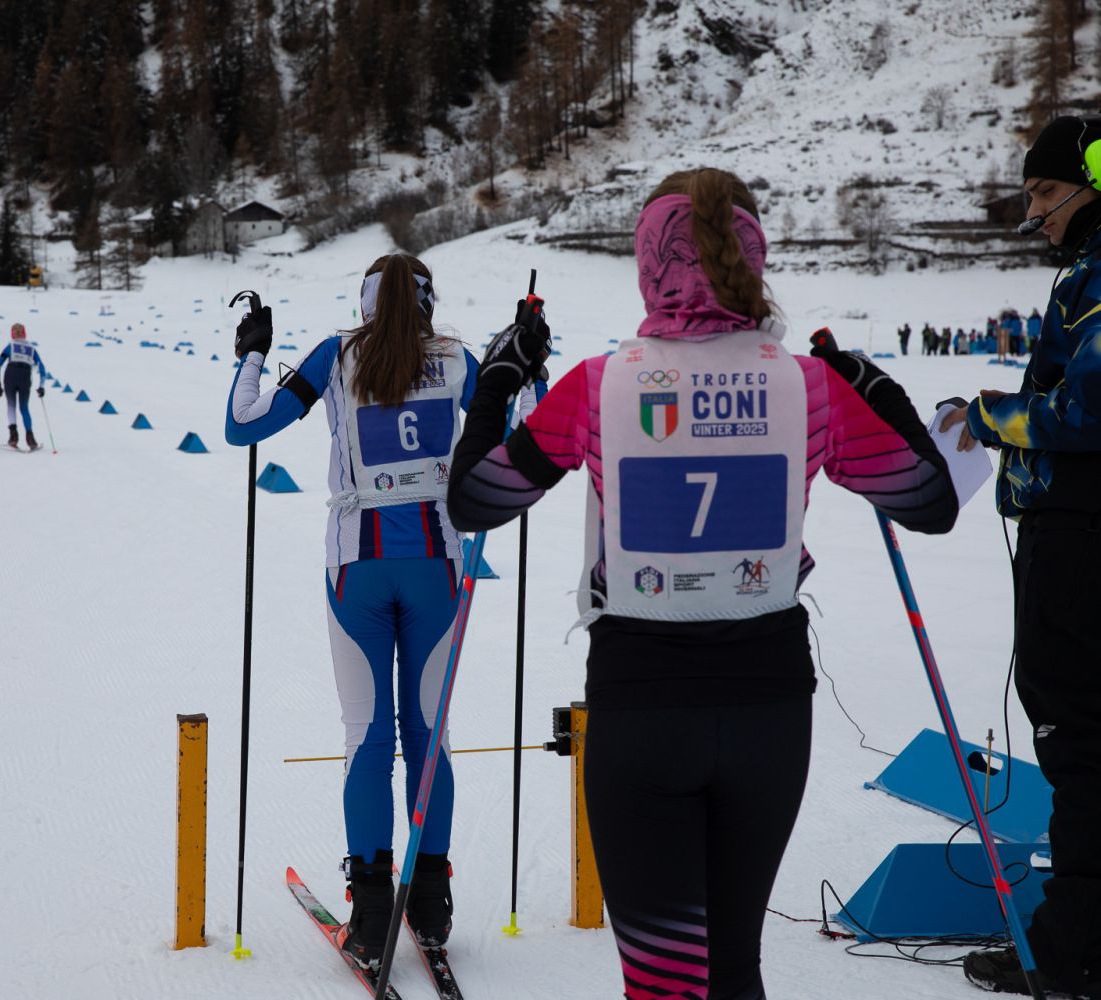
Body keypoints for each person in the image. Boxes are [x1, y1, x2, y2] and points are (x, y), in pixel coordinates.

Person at [445, 167, 958, 999]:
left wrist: (501, 377)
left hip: (642, 705)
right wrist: (876, 387)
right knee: (732, 970)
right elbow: (930, 501)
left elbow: (475, 501)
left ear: (650, 261)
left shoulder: (599, 384)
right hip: (768, 710)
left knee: (666, 981)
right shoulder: (811, 384)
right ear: (751, 254)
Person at [223, 253, 538, 974]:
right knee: (429, 733)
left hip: (357, 567)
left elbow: (243, 426)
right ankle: (430, 902)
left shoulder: (336, 355)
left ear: (363, 302)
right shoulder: (456, 358)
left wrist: (252, 354)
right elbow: (521, 434)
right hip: (438, 565)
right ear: (428, 301)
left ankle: (369, 915)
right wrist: (525, 363)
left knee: (367, 737)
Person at [943, 114, 1101, 998]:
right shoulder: (1084, 270)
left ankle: (1074, 946)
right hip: (1069, 527)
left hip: (1079, 535)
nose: (1035, 212)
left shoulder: (1099, 273)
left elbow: (1088, 410)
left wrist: (992, 417)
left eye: (1046, 191)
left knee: (1078, 735)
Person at [0, 323, 47, 450]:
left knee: (11, 406)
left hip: (10, 376)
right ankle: (31, 439)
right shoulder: (31, 348)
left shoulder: (10, 346)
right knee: (24, 408)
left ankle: (13, 437)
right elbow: (42, 368)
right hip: (25, 377)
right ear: (24, 333)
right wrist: (41, 386)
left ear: (12, 334)